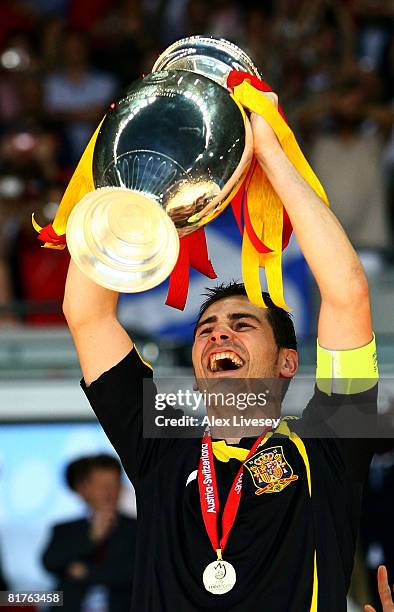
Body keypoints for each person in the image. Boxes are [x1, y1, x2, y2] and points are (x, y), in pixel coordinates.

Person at [63, 90, 383, 611]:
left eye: (241, 324)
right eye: (206, 328)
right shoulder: (161, 445)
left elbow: (348, 295)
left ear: (287, 361)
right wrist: (133, 174)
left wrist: (271, 154)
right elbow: (88, 314)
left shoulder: (330, 446)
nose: (217, 334)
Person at [42, 454, 137, 612]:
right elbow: (50, 561)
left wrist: (85, 571)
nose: (108, 492)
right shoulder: (65, 529)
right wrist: (92, 538)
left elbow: (132, 573)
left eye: (114, 484)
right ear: (83, 489)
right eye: (101, 485)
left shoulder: (137, 529)